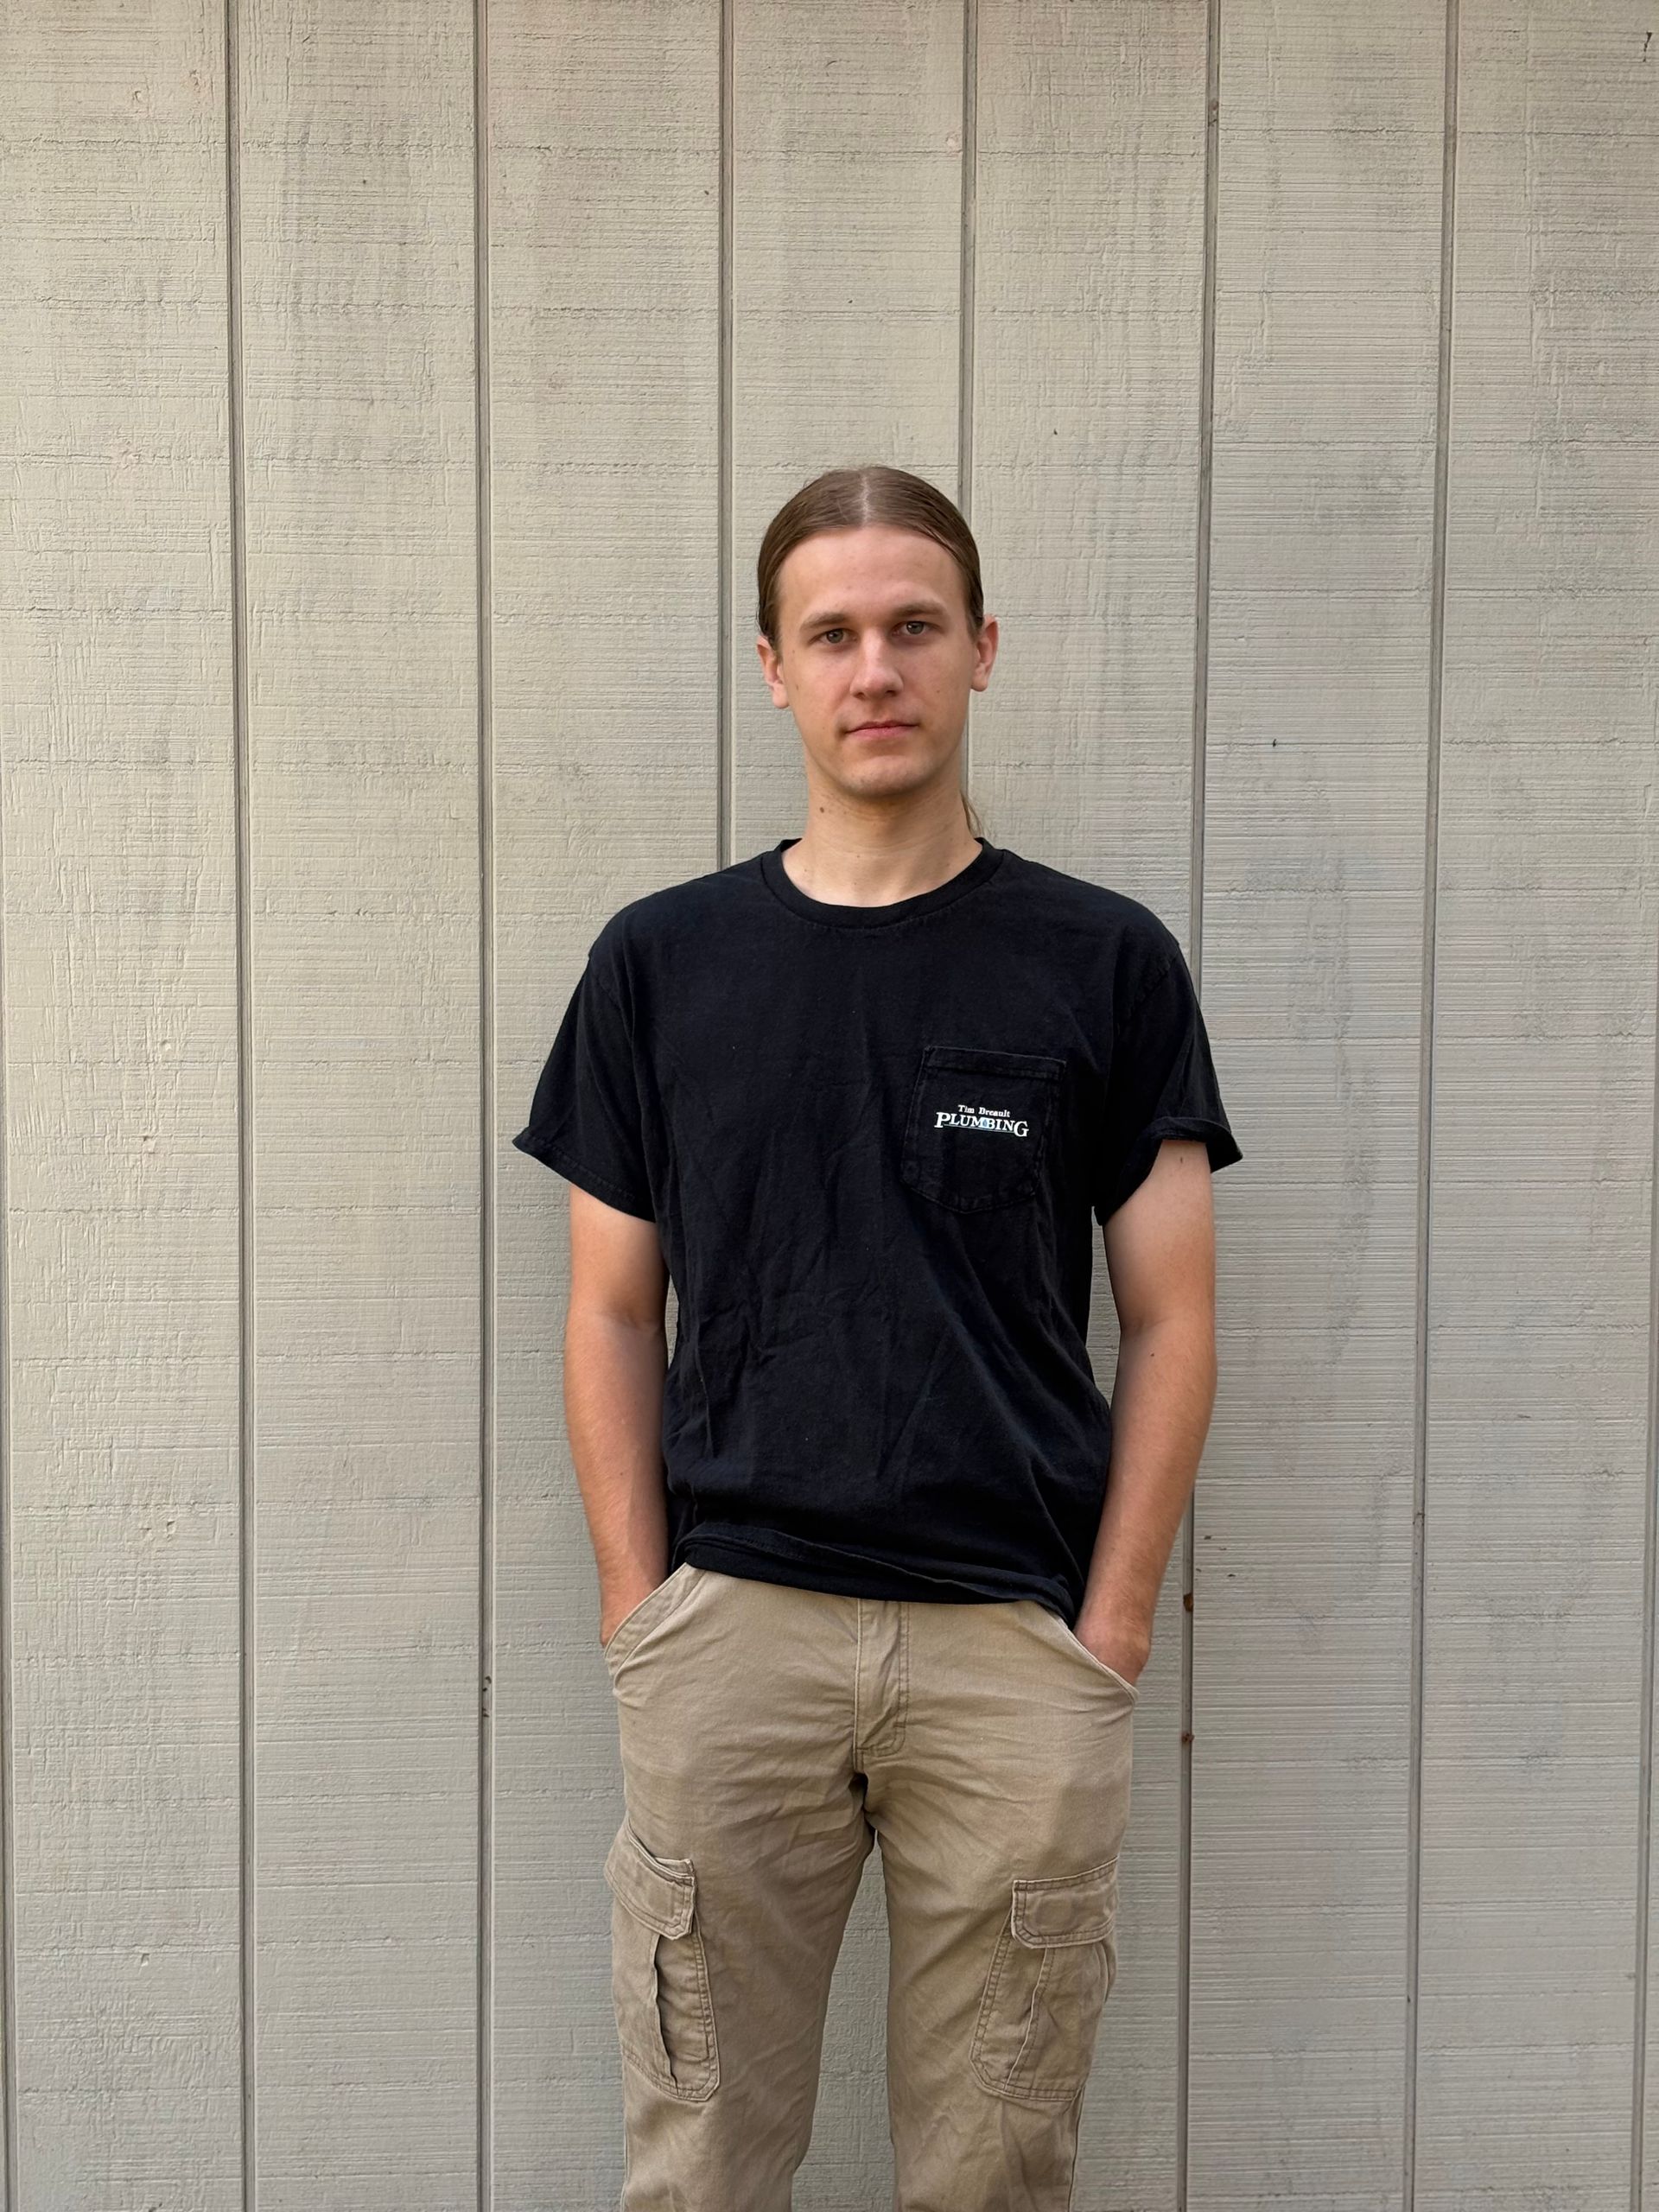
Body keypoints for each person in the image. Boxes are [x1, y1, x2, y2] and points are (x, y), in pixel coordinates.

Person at [512, 463, 1243, 2211]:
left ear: (981, 648)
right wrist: (642, 1609)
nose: (875, 666)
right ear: (773, 666)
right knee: (701, 2162)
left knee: (994, 2170)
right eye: (831, 631)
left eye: (914, 625)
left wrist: (1111, 1624)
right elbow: (612, 1306)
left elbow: (1174, 1313)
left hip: (1009, 1641)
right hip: (733, 1631)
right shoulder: (662, 964)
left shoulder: (1101, 961)